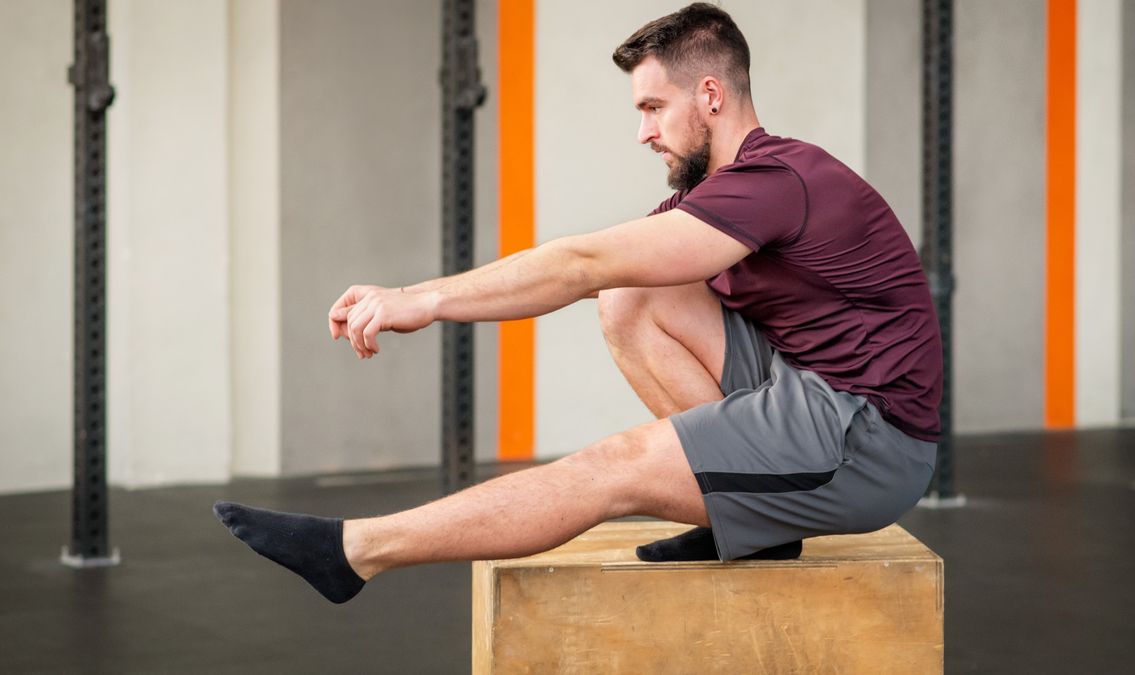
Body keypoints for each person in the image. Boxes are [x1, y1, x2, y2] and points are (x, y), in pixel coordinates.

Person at [214, 2, 942, 605]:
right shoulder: (722, 193)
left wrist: (420, 299)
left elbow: (578, 261)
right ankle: (752, 521)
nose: (644, 131)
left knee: (615, 467)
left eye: (655, 107)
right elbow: (599, 275)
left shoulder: (777, 179)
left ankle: (356, 550)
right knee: (631, 293)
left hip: (868, 439)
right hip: (807, 387)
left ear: (712, 95)